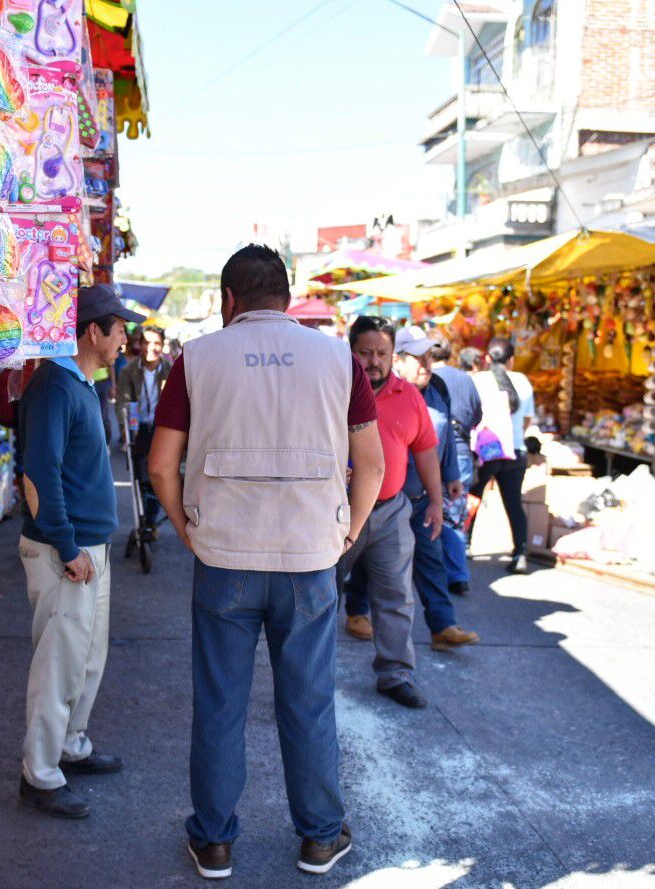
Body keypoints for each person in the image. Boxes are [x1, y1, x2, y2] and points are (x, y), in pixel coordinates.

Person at [148, 245, 383, 880]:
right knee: (308, 701)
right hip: (310, 557)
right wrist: (348, 533)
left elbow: (160, 465)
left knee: (220, 701)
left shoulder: (196, 358)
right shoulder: (339, 359)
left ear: (229, 300)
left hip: (224, 554)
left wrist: (184, 528)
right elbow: (375, 464)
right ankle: (320, 838)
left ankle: (215, 840)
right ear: (286, 295)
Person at [15, 284, 142, 819]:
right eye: (120, 331)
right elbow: (38, 475)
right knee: (59, 665)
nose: (125, 342)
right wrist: (67, 545)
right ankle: (40, 775)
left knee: (86, 659)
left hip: (89, 547)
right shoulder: (54, 386)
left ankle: (70, 747)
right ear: (95, 330)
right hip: (64, 550)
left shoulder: (80, 383)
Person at [339, 315, 443, 710]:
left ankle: (395, 674)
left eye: (382, 352)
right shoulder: (333, 390)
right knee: (319, 594)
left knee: (396, 597)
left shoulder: (409, 395)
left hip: (390, 511)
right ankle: (308, 678)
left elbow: (425, 450)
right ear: (351, 352)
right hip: (339, 510)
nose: (374, 361)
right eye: (365, 352)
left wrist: (435, 501)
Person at [378, 326, 478, 650]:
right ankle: (355, 611)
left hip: (421, 496)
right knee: (372, 566)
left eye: (429, 356)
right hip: (384, 498)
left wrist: (450, 476)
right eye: (417, 358)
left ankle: (442, 626)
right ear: (397, 361)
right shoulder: (377, 391)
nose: (425, 364)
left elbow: (444, 440)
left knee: (432, 560)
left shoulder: (438, 390)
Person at [470, 338, 536, 574]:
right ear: (511, 360)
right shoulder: (524, 382)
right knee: (513, 503)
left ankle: (464, 546)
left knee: (472, 497)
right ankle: (520, 553)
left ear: (487, 358)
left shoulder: (477, 381)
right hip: (516, 451)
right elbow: (527, 421)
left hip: (486, 452)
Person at [430, 338, 482, 595]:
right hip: (460, 451)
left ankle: (441, 573)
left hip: (430, 453)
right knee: (455, 516)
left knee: (425, 514)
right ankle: (457, 575)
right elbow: (477, 415)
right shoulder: (465, 379)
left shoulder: (426, 379)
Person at [114, 326, 171, 537]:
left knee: (157, 476)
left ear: (162, 346)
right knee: (141, 477)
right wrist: (125, 427)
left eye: (156, 343)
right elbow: (123, 401)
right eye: (147, 342)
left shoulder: (170, 369)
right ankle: (143, 520)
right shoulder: (129, 370)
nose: (151, 348)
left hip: (162, 429)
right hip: (139, 429)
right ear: (139, 344)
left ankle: (150, 522)